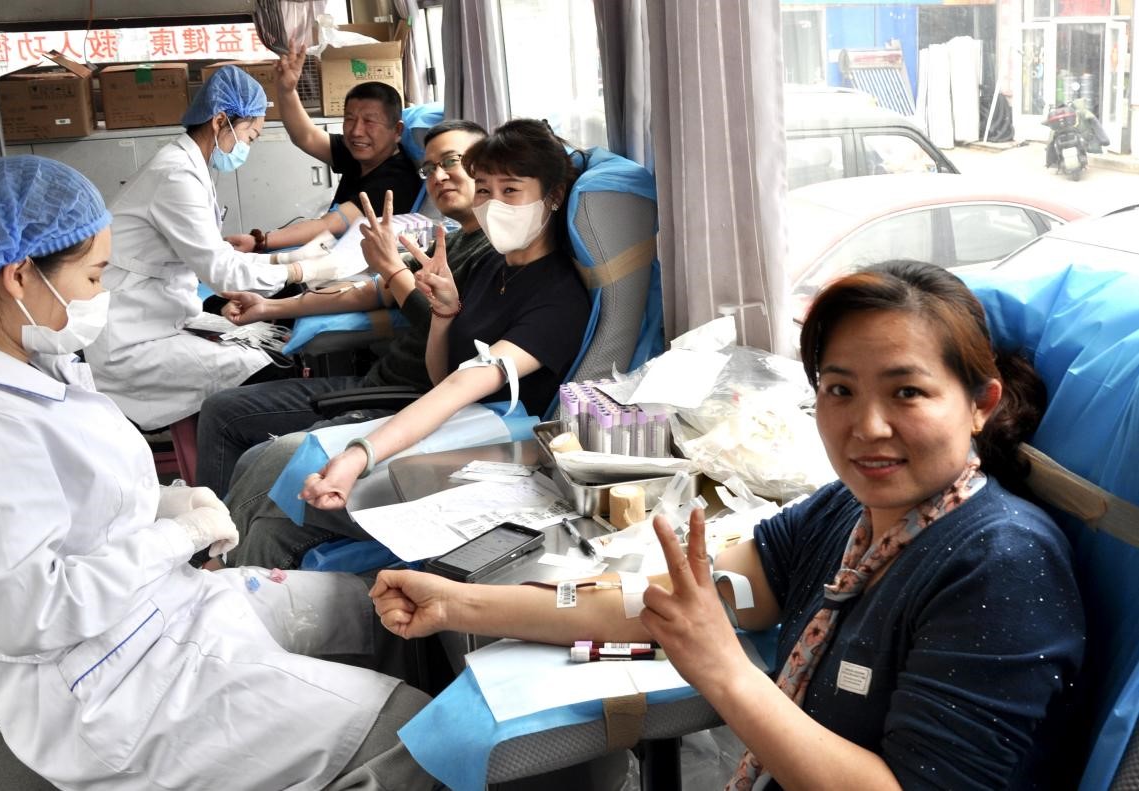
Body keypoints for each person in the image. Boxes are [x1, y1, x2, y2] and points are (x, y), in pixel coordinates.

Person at [369, 261, 1086, 789]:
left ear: (980, 403)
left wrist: (723, 669)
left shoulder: (998, 562)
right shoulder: (847, 514)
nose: (868, 426)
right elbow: (662, 604)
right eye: (839, 389)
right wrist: (459, 603)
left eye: (907, 392)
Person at [0, 156, 436, 791]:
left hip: (160, 608)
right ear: (18, 276)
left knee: (379, 609)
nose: (101, 294)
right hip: (111, 682)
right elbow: (30, 614)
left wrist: (165, 505)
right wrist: (175, 536)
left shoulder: (35, 359)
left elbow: (75, 497)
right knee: (414, 734)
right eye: (94, 276)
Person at [224, 118, 592, 569]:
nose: (493, 204)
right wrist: (444, 315)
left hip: (491, 456)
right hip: (448, 429)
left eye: (511, 190)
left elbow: (461, 386)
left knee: (283, 476)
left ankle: (218, 571)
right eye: (483, 190)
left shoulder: (558, 297)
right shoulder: (493, 266)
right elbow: (441, 375)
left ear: (553, 196)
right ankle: (224, 582)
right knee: (271, 513)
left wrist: (360, 453)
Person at [196, 119, 492, 497]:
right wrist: (268, 307)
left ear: (487, 166)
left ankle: (215, 530)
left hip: (404, 400)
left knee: (234, 429)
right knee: (220, 408)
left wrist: (392, 267)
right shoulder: (450, 240)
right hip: (376, 382)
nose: (439, 176)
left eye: (451, 161)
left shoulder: (494, 252)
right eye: (430, 168)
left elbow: (447, 327)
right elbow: (372, 292)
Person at [84, 66, 339, 432]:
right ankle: (240, 452)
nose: (247, 147)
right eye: (249, 136)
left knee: (265, 344)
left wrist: (281, 265)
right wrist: (299, 269)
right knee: (269, 368)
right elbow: (221, 270)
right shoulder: (176, 174)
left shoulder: (189, 166)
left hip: (159, 313)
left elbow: (212, 258)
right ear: (221, 121)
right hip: (133, 335)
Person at [226, 43, 422, 253]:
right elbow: (306, 136)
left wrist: (260, 241)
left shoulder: (396, 180)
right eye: (350, 119)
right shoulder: (363, 152)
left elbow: (330, 224)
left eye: (369, 121)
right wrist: (286, 90)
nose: (356, 131)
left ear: (397, 130)